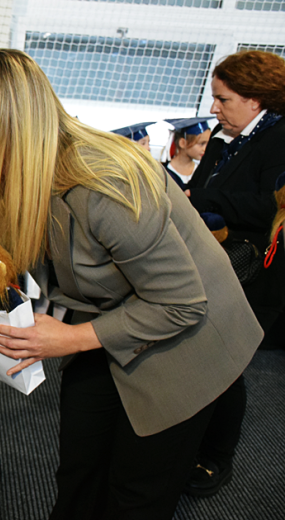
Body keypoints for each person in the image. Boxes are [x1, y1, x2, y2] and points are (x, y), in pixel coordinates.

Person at [0, 49, 262, 520]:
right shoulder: (18, 182)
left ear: (7, 124)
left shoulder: (106, 185)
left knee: (135, 494)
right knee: (79, 473)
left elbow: (181, 304)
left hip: (185, 341)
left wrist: (71, 338)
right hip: (103, 323)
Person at [183, 49, 285, 497]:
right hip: (213, 266)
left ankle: (216, 458)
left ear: (254, 98)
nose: (213, 108)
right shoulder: (225, 139)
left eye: (222, 99)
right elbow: (198, 191)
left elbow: (271, 206)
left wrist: (202, 200)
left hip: (255, 275)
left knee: (225, 368)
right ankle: (191, 445)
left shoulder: (279, 139)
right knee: (200, 361)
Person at [161, 117, 213, 190]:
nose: (205, 149)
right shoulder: (163, 172)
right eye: (202, 144)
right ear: (182, 143)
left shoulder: (202, 172)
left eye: (208, 144)